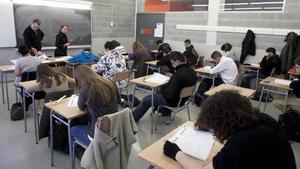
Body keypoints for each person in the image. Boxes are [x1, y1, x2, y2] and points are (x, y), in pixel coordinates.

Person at [163, 90, 296, 169]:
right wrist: (209, 126)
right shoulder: (263, 119)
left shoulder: (241, 142)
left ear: (221, 123)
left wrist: (176, 153)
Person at [132, 51, 197, 122]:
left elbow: (169, 95)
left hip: (172, 101)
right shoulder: (192, 71)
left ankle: (133, 118)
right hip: (183, 100)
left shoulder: (178, 75)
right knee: (157, 94)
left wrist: (162, 88)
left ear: (177, 61)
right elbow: (182, 82)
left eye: (172, 63)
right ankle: (165, 112)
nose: (172, 65)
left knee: (146, 100)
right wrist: (172, 78)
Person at [71, 65, 119, 145]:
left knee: (72, 129)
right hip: (114, 129)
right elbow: (119, 100)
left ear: (78, 79)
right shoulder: (110, 82)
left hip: (97, 134)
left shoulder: (85, 89)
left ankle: (83, 154)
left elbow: (81, 107)